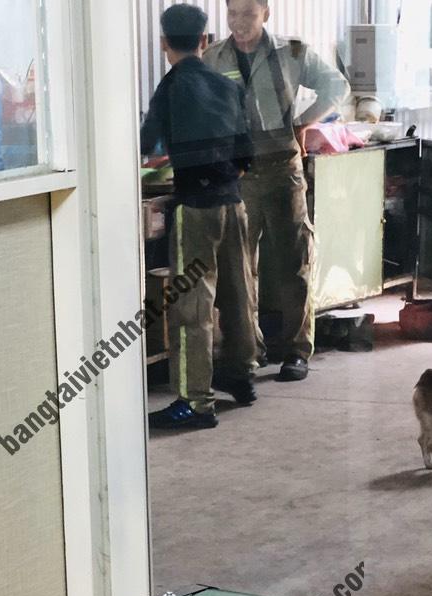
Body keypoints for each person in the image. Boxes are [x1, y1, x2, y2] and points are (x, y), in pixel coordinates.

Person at [204, 1, 350, 382]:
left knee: (293, 263)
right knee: (240, 270)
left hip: (283, 169)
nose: (239, 23)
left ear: (265, 13)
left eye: (248, 14)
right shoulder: (214, 57)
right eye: (232, 14)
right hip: (238, 175)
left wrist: (302, 121)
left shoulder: (292, 52)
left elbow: (337, 85)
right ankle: (248, 354)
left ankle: (297, 351)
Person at [142, 4, 259, 430]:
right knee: (238, 295)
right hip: (234, 204)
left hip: (195, 209)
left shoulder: (171, 87)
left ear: (163, 43)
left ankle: (195, 402)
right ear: (205, 41)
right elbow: (246, 155)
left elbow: (144, 144)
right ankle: (241, 376)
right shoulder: (226, 84)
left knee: (191, 306)